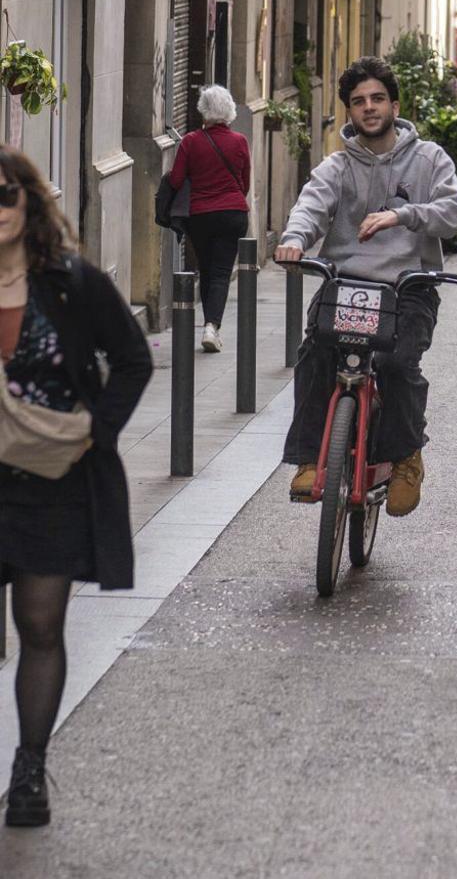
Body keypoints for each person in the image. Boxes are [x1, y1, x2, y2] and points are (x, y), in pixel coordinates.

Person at [0, 146, 152, 827]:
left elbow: (132, 359)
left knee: (39, 623)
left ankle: (29, 767)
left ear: (29, 201)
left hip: (50, 480)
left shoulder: (70, 282)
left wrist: (96, 431)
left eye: (4, 194)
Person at [275, 57, 457, 515]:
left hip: (408, 286)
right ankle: (307, 459)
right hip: (346, 285)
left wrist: (403, 214)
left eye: (378, 98)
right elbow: (310, 206)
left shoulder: (429, 159)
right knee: (315, 356)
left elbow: (452, 211)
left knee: (397, 364)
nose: (369, 107)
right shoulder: (337, 166)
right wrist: (294, 239)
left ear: (394, 105)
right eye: (359, 102)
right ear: (350, 113)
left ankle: (405, 458)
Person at [167, 84, 251, 353]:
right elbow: (245, 183)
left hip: (200, 216)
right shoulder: (239, 142)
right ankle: (211, 326)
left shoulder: (190, 141)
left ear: (204, 112)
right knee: (221, 272)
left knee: (206, 268)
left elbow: (177, 179)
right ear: (229, 112)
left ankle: (209, 325)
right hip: (232, 213)